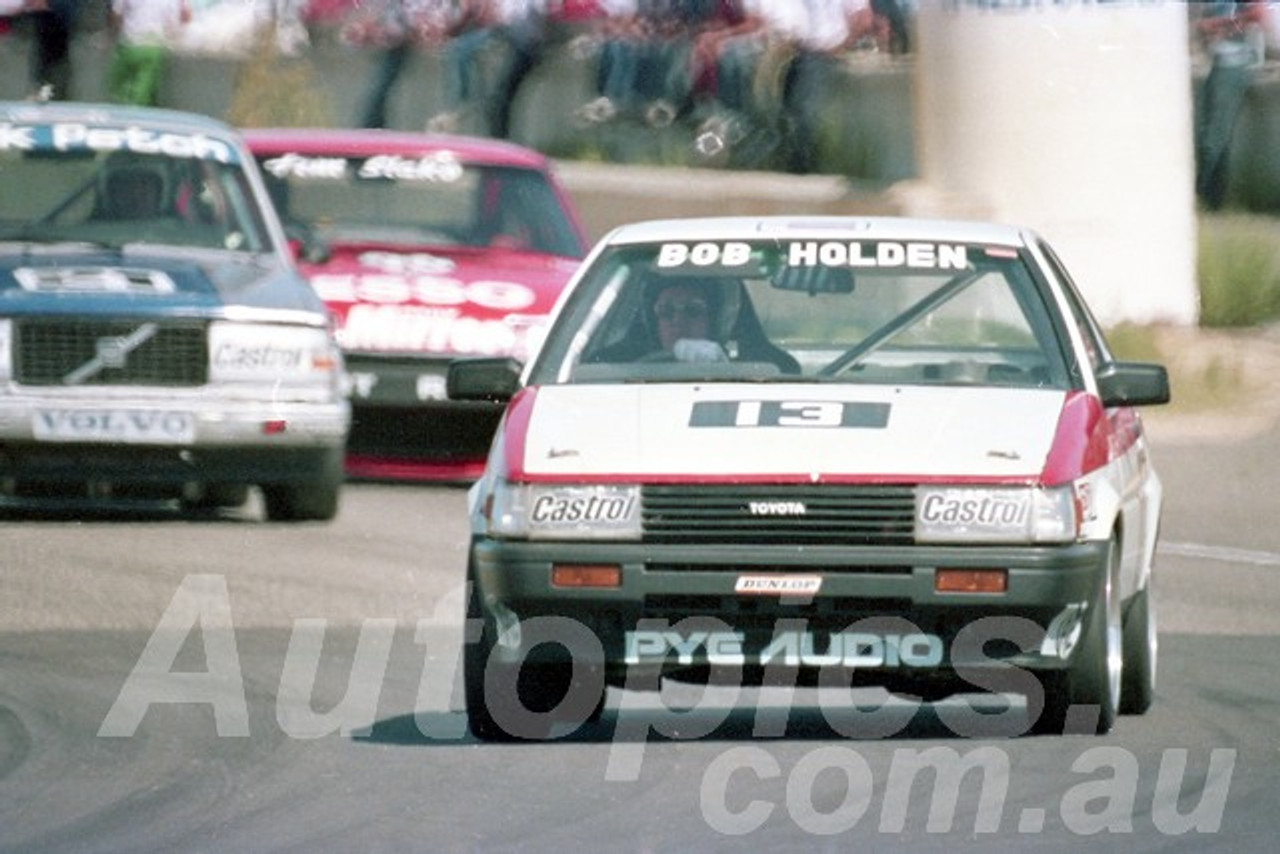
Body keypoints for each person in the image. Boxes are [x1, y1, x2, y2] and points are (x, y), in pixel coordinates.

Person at [592, 275, 799, 372]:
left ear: (719, 320)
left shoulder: (770, 370)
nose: (677, 321)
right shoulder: (613, 369)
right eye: (666, 311)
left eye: (693, 310)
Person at [107, 0, 191, 107]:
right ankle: (139, 112)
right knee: (144, 90)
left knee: (119, 89)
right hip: (152, 46)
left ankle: (123, 111)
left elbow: (116, 14)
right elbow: (181, 20)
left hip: (128, 44)